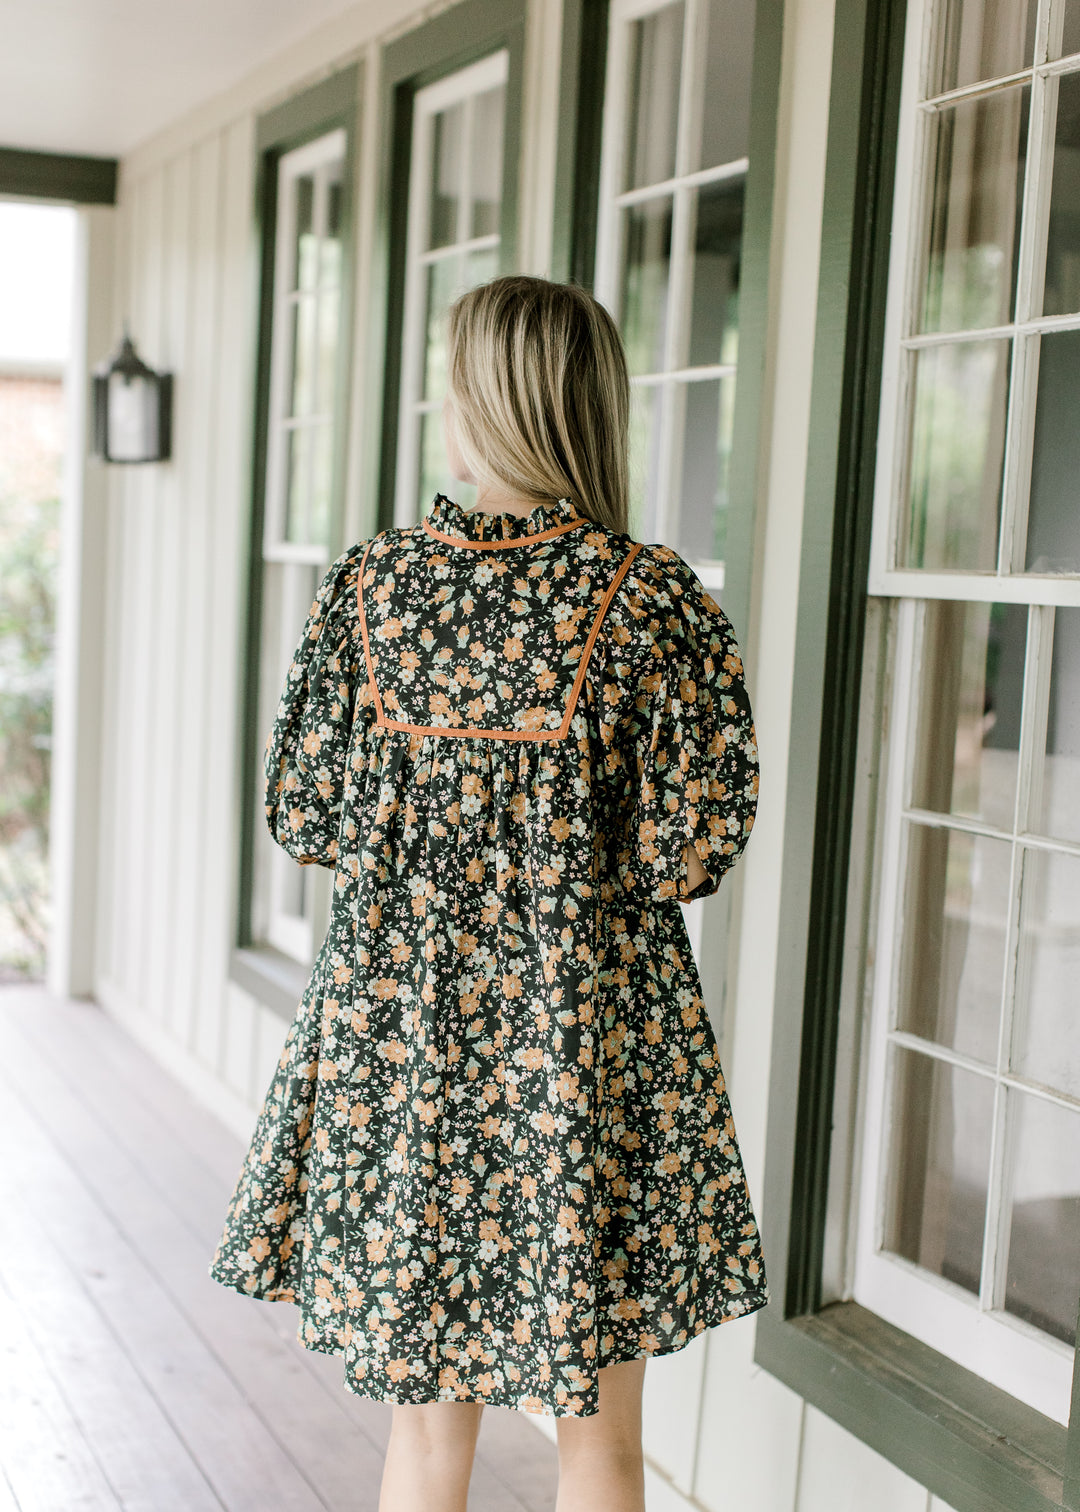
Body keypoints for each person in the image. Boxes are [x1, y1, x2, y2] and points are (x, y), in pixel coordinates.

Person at [208, 274, 768, 1512]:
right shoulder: (651, 600)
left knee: (424, 1447)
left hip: (411, 1059)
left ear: (486, 406)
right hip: (585, 1063)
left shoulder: (372, 590)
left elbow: (304, 815)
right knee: (602, 1448)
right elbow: (689, 851)